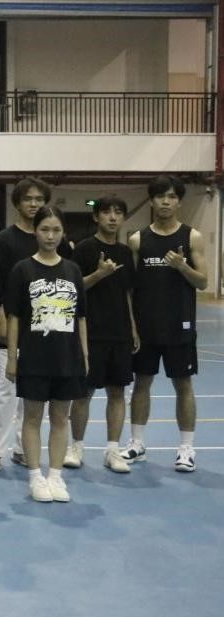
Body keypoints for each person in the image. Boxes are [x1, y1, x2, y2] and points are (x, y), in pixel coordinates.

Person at [0, 177, 70, 472]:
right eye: (28, 199)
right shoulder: (3, 241)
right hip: (13, 327)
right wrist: (2, 321)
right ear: (16, 203)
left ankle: (22, 449)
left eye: (39, 199)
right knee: (7, 391)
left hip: (48, 330)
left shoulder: (55, 240)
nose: (33, 204)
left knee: (32, 394)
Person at [122, 175, 207, 471]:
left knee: (183, 385)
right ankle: (137, 443)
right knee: (141, 383)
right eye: (160, 196)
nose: (166, 202)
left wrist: (182, 266)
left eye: (171, 196)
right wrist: (132, 326)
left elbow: (203, 281)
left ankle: (186, 449)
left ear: (179, 201)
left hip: (179, 327)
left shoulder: (192, 237)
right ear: (152, 201)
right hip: (146, 328)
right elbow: (130, 290)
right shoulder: (138, 239)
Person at [6, 206, 87, 502]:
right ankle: (35, 477)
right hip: (34, 357)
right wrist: (12, 358)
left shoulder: (73, 270)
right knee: (32, 417)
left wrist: (85, 355)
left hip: (67, 357)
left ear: (63, 233)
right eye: (44, 230)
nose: (50, 236)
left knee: (60, 418)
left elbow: (80, 317)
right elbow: (13, 317)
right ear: (35, 231)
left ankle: (55, 476)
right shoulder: (22, 270)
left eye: (56, 230)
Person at [66, 196, 137, 474]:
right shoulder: (84, 249)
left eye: (118, 212)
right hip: (91, 332)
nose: (112, 217)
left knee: (117, 392)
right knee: (84, 393)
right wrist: (98, 274)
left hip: (119, 332)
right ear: (96, 217)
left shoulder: (125, 252)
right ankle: (76, 447)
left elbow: (127, 293)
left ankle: (112, 450)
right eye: (107, 212)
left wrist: (133, 327)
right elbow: (73, 287)